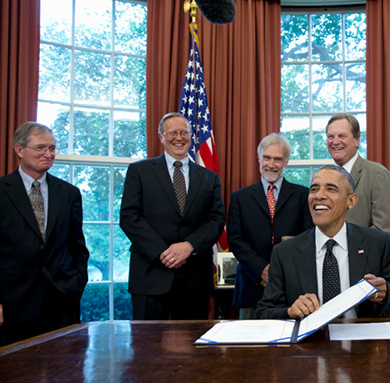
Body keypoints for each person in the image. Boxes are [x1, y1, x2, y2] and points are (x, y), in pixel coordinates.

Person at [255, 165, 390, 320]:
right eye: (314, 189)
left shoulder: (379, 243)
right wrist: (290, 311)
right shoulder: (284, 252)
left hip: (363, 342)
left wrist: (386, 295)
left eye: (331, 189)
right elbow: (263, 313)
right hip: (310, 342)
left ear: (351, 201)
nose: (319, 196)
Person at [0, 122, 89, 350]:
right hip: (12, 304)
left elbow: (77, 247)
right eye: (41, 148)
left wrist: (77, 284)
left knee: (64, 373)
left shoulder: (69, 193)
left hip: (61, 300)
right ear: (19, 150)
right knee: (13, 375)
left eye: (52, 148)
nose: (48, 154)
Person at [119, 113, 225, 320]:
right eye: (172, 133)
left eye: (184, 132)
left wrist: (188, 246)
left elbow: (216, 220)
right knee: (147, 346)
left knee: (192, 347)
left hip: (194, 277)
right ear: (161, 137)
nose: (179, 137)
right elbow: (129, 217)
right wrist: (163, 252)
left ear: (190, 136)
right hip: (150, 275)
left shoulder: (209, 178)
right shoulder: (139, 171)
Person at [227, 133, 313, 319]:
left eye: (278, 159)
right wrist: (261, 270)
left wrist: (278, 273)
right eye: (267, 158)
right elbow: (235, 240)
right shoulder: (240, 198)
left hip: (290, 288)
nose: (271, 164)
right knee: (250, 345)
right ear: (259, 158)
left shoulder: (302, 195)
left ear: (286, 162)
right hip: (251, 285)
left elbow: (308, 238)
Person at [326, 113, 390, 233]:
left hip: (363, 250)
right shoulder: (325, 177)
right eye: (331, 137)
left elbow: (383, 227)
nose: (335, 142)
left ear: (357, 140)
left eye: (342, 136)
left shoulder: (377, 174)